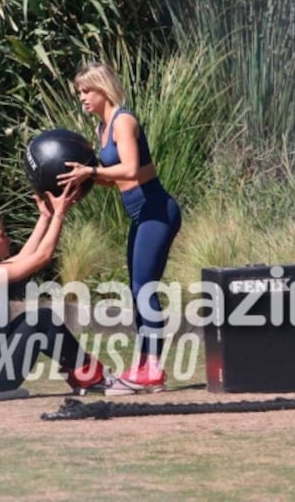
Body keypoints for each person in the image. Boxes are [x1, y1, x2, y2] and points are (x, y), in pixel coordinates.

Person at [57, 61, 182, 395]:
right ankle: (145, 367)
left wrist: (92, 173)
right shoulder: (102, 128)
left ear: (102, 89)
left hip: (157, 210)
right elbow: (126, 179)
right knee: (137, 288)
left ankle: (152, 369)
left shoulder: (123, 121)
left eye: (86, 91)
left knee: (144, 288)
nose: (82, 98)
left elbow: (128, 169)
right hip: (140, 213)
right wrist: (84, 180)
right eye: (79, 93)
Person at [0, 184, 111, 396]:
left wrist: (45, 217)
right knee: (42, 319)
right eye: (2, 235)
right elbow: (41, 258)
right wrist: (59, 214)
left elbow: (24, 257)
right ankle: (93, 377)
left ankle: (85, 375)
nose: (8, 239)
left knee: (33, 320)